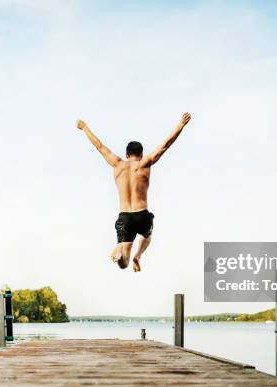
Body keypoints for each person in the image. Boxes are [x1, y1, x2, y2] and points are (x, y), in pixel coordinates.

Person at [76, 112, 191, 272]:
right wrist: (181, 125)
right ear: (141, 154)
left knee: (124, 264)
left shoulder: (117, 164)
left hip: (124, 217)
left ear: (126, 154)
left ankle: (120, 251)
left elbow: (100, 146)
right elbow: (166, 144)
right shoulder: (145, 163)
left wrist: (84, 127)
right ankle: (138, 255)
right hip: (141, 215)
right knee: (147, 236)